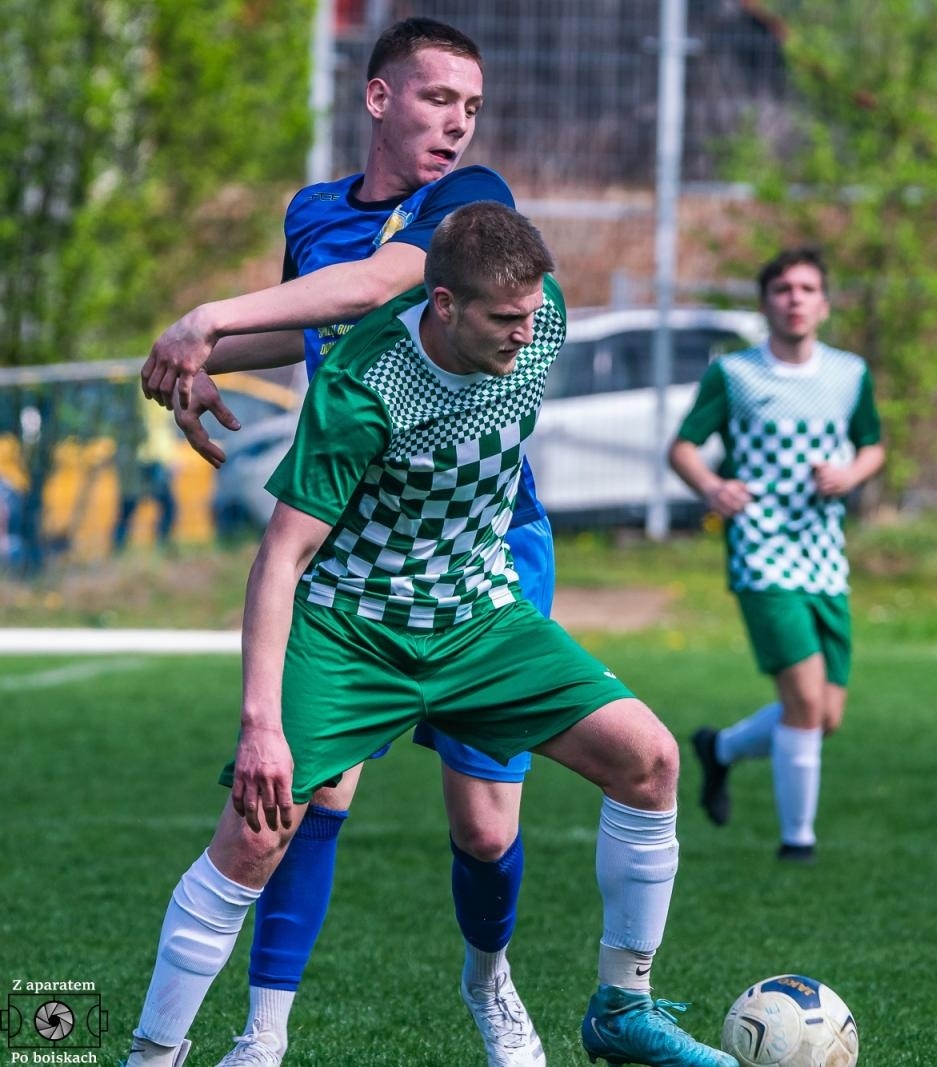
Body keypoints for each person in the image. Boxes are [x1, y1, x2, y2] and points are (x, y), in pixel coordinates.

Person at [122, 202, 734, 1067]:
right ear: (443, 304)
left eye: (533, 315)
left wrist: (525, 312)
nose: (528, 335)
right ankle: (155, 1052)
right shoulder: (363, 388)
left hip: (480, 619)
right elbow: (280, 559)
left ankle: (620, 1005)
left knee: (651, 758)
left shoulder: (540, 313)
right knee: (257, 831)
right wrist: (261, 722)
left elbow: (527, 311)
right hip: (354, 628)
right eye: (504, 319)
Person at [137, 19, 555, 1066]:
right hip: (356, 548)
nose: (457, 121)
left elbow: (381, 287)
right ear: (378, 100)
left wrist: (208, 312)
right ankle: (260, 1035)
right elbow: (321, 326)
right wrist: (217, 350)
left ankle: (489, 978)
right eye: (435, 99)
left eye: (469, 103)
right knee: (304, 793)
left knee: (486, 828)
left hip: (483, 542)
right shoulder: (314, 212)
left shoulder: (471, 200)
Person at [668, 248, 884, 862]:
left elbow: (872, 444)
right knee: (806, 704)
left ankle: (722, 749)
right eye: (783, 288)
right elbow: (683, 448)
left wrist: (850, 473)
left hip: (825, 555)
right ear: (766, 303)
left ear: (824, 304)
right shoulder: (734, 375)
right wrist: (712, 487)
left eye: (807, 288)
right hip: (761, 553)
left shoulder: (849, 373)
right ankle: (798, 844)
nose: (795, 298)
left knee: (826, 715)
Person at [113, 386, 179, 552]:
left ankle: (155, 548)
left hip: (152, 457)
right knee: (163, 505)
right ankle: (160, 548)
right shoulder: (145, 389)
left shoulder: (161, 387)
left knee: (134, 506)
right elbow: (148, 428)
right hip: (150, 458)